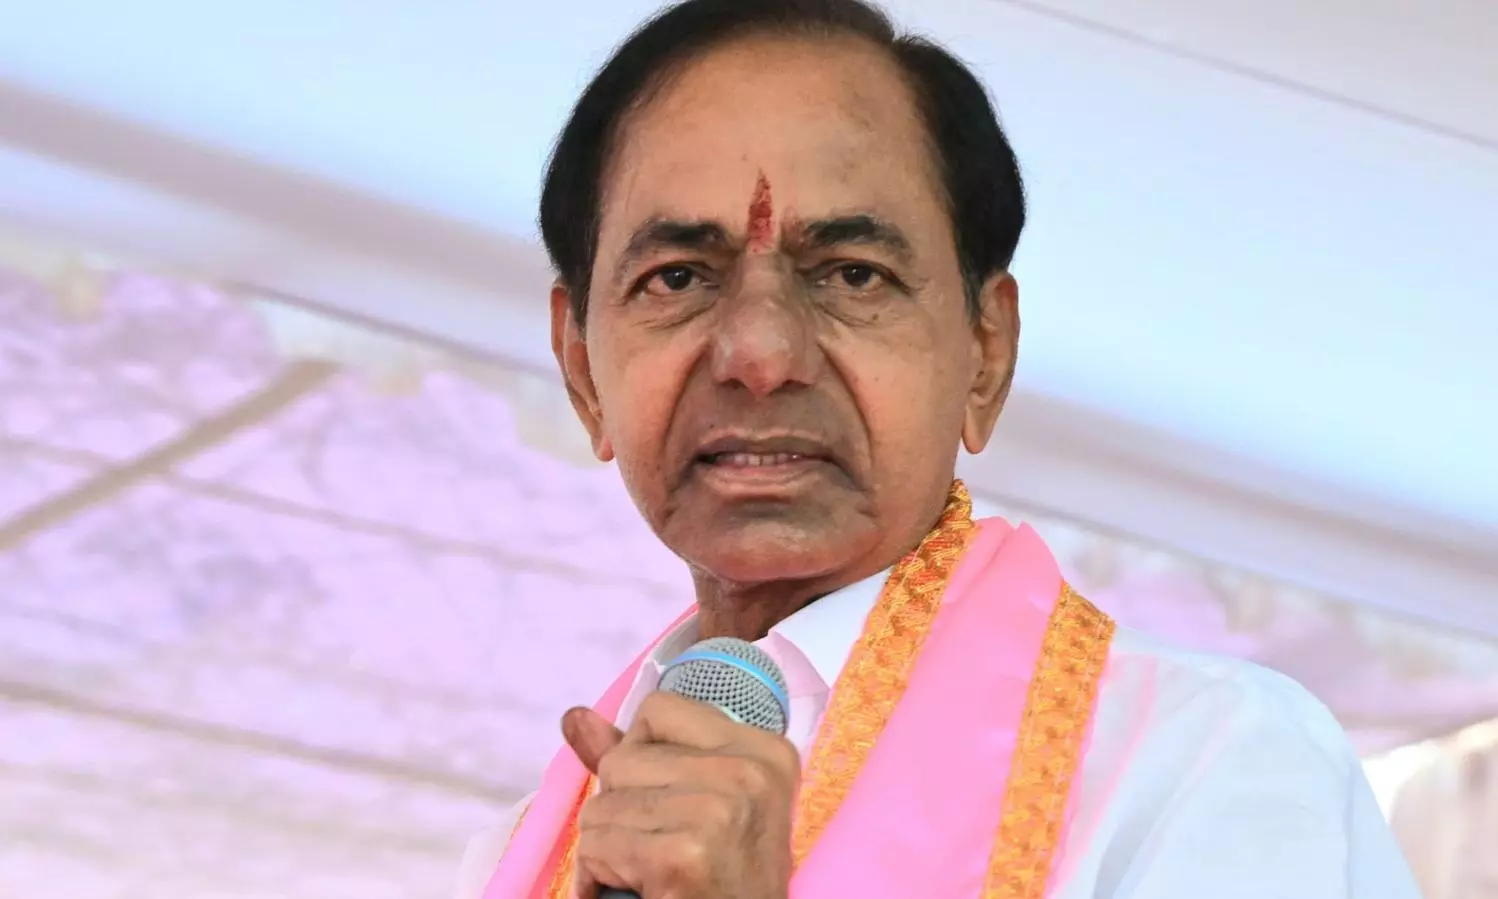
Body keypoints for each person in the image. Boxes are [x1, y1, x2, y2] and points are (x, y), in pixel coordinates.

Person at [458, 0, 1422, 896]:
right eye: (677, 278)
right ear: (583, 370)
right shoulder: (520, 854)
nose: (760, 354)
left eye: (852, 274)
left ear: (985, 354)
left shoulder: (1209, 762)